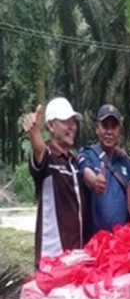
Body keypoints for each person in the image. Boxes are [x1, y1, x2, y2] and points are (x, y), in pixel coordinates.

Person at [22, 98, 86, 267]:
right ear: (51, 126)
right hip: (52, 260)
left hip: (76, 258)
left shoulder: (74, 162)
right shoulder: (48, 158)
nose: (72, 126)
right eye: (66, 121)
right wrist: (34, 133)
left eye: (74, 121)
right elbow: (40, 152)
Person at [78, 104, 130, 236]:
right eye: (105, 126)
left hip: (122, 241)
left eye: (113, 127)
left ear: (119, 131)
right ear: (97, 128)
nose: (109, 132)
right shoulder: (88, 154)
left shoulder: (125, 161)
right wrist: (94, 181)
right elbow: (84, 170)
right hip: (96, 242)